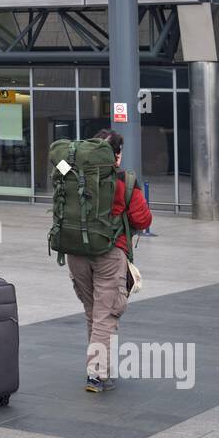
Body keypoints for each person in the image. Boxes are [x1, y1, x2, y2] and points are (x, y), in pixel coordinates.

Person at [67, 129, 152, 392]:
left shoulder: (71, 174)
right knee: (107, 314)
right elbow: (142, 220)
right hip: (109, 252)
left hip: (75, 251)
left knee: (93, 312)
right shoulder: (125, 180)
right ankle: (97, 374)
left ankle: (99, 367)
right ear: (116, 155)